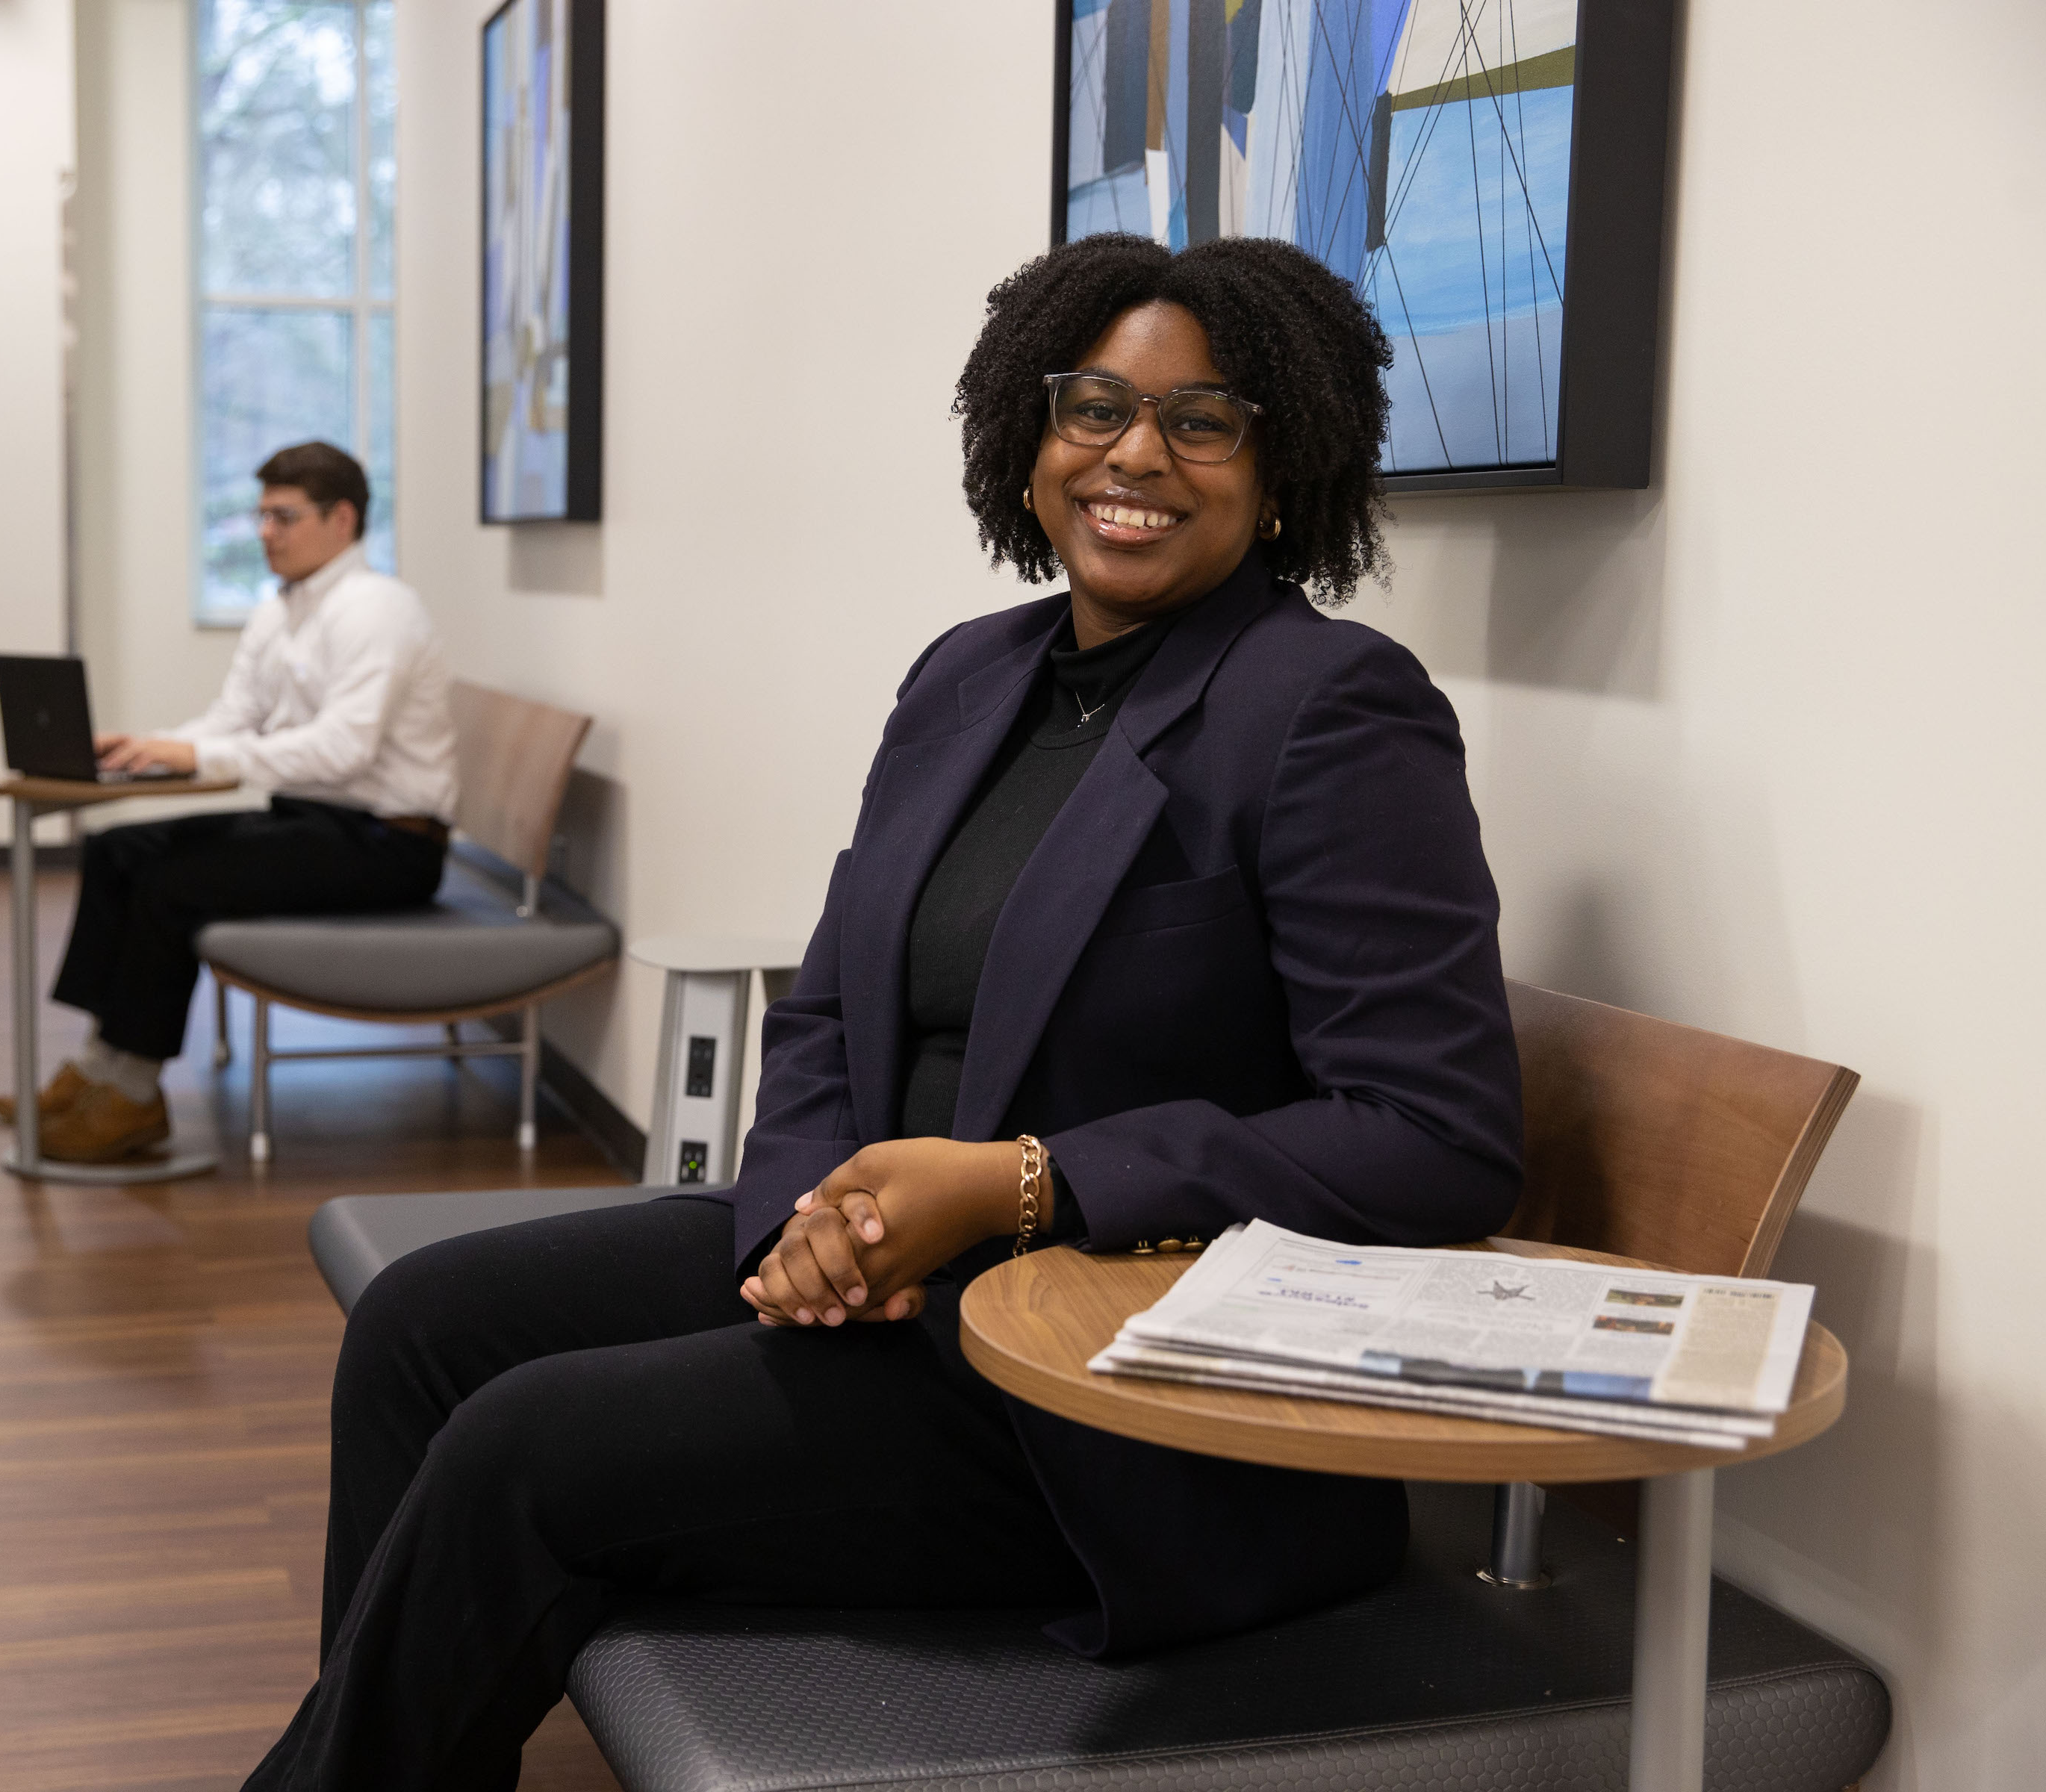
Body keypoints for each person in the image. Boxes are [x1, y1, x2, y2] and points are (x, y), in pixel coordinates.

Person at [240, 237, 1523, 1791]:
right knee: (421, 1328)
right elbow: (832, 1006)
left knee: (524, 1450)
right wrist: (803, 1224)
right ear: (1029, 437)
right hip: (895, 1292)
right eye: (1097, 407)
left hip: (1101, 1395)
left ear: (1281, 466)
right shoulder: (968, 678)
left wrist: (1022, 1183)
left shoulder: (1330, 707)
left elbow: (1434, 1134)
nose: (1135, 455)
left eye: (1202, 422)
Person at [0, 441, 459, 1163]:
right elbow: (234, 716)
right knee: (118, 849)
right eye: (262, 516)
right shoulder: (282, 610)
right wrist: (149, 747)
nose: (266, 532)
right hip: (314, 820)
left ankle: (134, 1096)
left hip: (390, 844)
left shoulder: (379, 610)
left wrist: (202, 757)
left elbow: (344, 748)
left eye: (285, 517)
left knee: (171, 881)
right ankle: (97, 1069)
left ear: (342, 520)